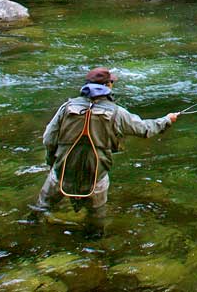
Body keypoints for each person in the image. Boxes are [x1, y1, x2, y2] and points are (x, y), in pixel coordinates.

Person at [31, 67, 179, 236]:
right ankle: (92, 255)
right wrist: (167, 120)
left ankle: (30, 235)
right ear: (108, 86)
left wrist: (52, 163)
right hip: (96, 178)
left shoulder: (66, 108)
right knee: (96, 225)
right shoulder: (117, 112)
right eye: (112, 82)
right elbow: (145, 129)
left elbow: (48, 139)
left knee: (39, 211)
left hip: (62, 173)